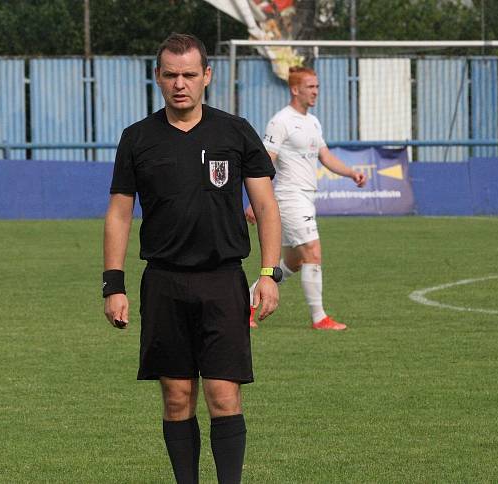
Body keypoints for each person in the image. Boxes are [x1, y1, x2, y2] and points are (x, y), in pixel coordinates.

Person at [102, 33, 282, 484]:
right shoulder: (137, 139)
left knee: (224, 396)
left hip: (223, 281)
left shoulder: (235, 131)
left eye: (188, 74)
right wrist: (113, 284)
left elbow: (266, 207)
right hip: (163, 283)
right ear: (158, 77)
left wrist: (269, 273)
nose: (180, 84)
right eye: (170, 75)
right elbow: (120, 214)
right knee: (177, 398)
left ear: (207, 76)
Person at [244, 66, 366, 331]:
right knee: (312, 252)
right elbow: (266, 162)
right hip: (288, 198)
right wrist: (257, 201)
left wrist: (351, 173)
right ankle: (319, 318)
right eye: (311, 86)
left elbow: (326, 156)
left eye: (317, 87)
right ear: (295, 89)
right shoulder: (281, 121)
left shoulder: (312, 121)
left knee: (293, 262)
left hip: (305, 198)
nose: (316, 92)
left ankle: (243, 305)